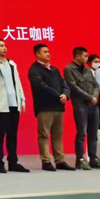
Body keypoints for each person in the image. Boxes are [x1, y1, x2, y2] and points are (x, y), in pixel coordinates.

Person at [0, 39, 29, 173]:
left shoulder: (12, 64)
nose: (4, 48)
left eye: (5, 45)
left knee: (12, 135)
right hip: (0, 105)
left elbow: (18, 83)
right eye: (1, 46)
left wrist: (22, 100)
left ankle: (13, 162)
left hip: (14, 103)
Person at [28, 44, 74, 172]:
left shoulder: (54, 69)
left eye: (48, 51)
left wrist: (66, 95)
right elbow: (41, 86)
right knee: (44, 135)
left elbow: (64, 84)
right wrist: (58, 95)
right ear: (37, 54)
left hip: (58, 107)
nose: (48, 54)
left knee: (57, 135)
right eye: (44, 52)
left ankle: (60, 160)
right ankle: (46, 161)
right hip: (44, 107)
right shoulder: (34, 70)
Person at [64, 47, 100, 170]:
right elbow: (73, 87)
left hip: (93, 105)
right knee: (81, 133)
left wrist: (95, 96)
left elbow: (96, 85)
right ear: (77, 56)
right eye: (85, 56)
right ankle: (80, 159)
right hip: (80, 105)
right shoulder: (69, 69)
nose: (87, 58)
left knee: (93, 134)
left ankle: (93, 159)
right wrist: (89, 97)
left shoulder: (88, 70)